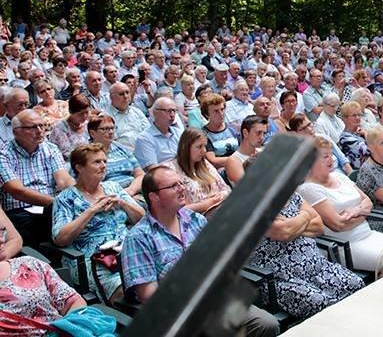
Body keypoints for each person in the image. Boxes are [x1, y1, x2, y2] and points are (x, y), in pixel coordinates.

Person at [120, 167, 279, 336]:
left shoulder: (195, 220)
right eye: (173, 186)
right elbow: (148, 295)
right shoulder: (139, 238)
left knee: (266, 324)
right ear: (154, 197)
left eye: (181, 183)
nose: (182, 188)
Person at [246, 161, 364, 321]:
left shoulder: (290, 194)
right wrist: (306, 216)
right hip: (282, 278)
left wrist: (295, 222)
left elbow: (319, 226)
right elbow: (283, 232)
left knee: (356, 285)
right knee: (321, 304)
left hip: (318, 267)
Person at [300, 136, 383, 277]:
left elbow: (367, 201)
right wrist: (364, 213)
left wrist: (357, 210)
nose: (331, 159)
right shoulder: (309, 189)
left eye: (331, 155)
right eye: (325, 156)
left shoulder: (339, 177)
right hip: (343, 244)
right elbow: (337, 225)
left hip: (366, 232)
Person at [52, 143, 145, 300]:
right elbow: (60, 238)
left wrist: (122, 203)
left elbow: (143, 219)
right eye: (97, 162)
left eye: (104, 161)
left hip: (128, 252)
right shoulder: (66, 198)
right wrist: (92, 210)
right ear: (79, 167)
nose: (103, 166)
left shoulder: (113, 188)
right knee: (129, 289)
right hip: (94, 260)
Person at [0, 110, 75, 245]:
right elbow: (18, 191)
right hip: (21, 210)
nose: (40, 131)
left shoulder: (50, 148)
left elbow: (64, 180)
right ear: (16, 131)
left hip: (51, 207)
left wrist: (76, 197)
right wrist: (56, 203)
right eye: (33, 127)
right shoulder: (4, 155)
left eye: (42, 126)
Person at [161, 128, 230, 216]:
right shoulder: (171, 169)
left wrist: (221, 196)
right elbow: (177, 209)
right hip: (199, 217)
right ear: (186, 147)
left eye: (204, 146)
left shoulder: (204, 163)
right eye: (199, 146)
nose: (204, 150)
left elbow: (226, 189)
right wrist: (207, 204)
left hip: (221, 207)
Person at [88, 114, 144, 196]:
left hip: (133, 191)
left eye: (112, 128)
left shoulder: (122, 148)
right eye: (105, 129)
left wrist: (131, 190)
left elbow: (140, 175)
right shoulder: (86, 154)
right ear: (93, 133)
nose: (111, 132)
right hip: (109, 196)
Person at [134, 97, 183, 169]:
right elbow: (153, 170)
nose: (172, 115)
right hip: (164, 176)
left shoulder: (179, 132)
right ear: (155, 112)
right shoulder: (144, 139)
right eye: (168, 111)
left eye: (174, 111)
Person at [225, 116, 268, 185]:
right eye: (258, 133)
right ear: (245, 133)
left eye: (264, 133)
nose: (262, 137)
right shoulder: (233, 161)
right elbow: (247, 187)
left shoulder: (262, 152)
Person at [46, 93, 91, 160]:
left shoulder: (87, 124)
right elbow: (66, 153)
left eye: (86, 112)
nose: (84, 116)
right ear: (70, 112)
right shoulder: (59, 128)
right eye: (80, 114)